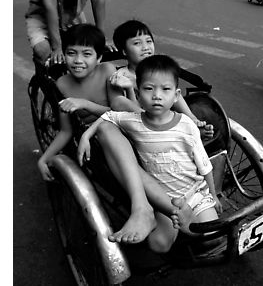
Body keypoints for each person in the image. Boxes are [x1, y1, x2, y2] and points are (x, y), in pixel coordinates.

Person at [78, 55, 223, 252]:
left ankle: (186, 221)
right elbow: (108, 116)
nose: (157, 95)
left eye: (165, 89)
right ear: (138, 95)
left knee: (211, 239)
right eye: (148, 89)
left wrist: (213, 195)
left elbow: (204, 164)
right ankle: (178, 219)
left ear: (176, 95)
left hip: (195, 193)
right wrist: (86, 135)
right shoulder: (134, 121)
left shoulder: (186, 125)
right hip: (163, 196)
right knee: (158, 246)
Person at [108, 19, 214, 138]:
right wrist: (131, 87)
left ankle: (193, 122)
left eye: (148, 41)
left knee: (169, 90)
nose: (145, 47)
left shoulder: (159, 71)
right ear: (124, 51)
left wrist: (191, 118)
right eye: (137, 43)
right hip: (138, 127)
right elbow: (128, 110)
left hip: (164, 118)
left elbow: (174, 96)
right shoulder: (120, 76)